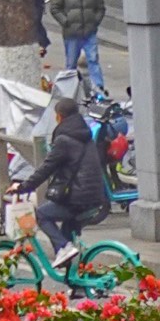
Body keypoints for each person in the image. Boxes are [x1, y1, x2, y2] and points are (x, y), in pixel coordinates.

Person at [20, 94, 111, 263]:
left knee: (41, 214)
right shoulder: (86, 135)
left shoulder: (64, 140)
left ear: (59, 116)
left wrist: (23, 187)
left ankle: (62, 248)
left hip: (77, 199)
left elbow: (46, 168)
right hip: (95, 198)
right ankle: (76, 282)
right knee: (70, 244)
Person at [48, 0, 107, 89]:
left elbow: (100, 8)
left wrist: (94, 22)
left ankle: (99, 88)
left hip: (89, 31)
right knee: (71, 64)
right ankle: (70, 89)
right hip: (72, 33)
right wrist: (66, 21)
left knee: (93, 60)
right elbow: (54, 8)